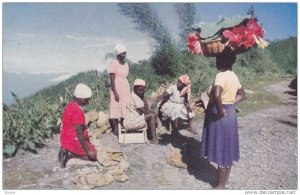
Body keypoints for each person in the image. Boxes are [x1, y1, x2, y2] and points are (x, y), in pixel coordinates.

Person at [199, 49, 245, 189]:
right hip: (230, 114)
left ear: (223, 61)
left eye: (218, 60)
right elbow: (242, 94)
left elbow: (217, 93)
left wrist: (220, 110)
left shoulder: (221, 75)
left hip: (221, 117)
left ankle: (220, 186)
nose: (216, 62)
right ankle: (224, 182)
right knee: (227, 148)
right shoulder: (233, 76)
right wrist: (229, 103)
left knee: (221, 147)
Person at [58, 83, 97, 168]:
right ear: (79, 98)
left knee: (91, 148)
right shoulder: (77, 111)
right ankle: (71, 155)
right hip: (73, 140)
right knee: (94, 155)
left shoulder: (70, 105)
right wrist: (89, 152)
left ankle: (67, 150)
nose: (87, 102)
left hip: (65, 138)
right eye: (86, 100)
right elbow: (79, 135)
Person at [123, 79, 158, 144]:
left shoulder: (137, 96)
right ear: (134, 88)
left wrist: (142, 97)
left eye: (142, 90)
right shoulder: (134, 97)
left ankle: (152, 136)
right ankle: (154, 139)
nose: (141, 92)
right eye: (139, 90)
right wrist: (154, 114)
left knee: (152, 114)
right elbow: (145, 111)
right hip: (130, 123)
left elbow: (146, 108)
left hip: (134, 120)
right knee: (152, 115)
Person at [108, 44, 131, 136]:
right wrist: (115, 92)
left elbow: (126, 77)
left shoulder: (126, 64)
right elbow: (112, 79)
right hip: (116, 87)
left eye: (125, 53)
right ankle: (115, 129)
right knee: (115, 106)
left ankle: (124, 125)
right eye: (122, 54)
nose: (124, 55)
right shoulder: (114, 63)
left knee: (125, 106)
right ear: (118, 54)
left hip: (125, 87)